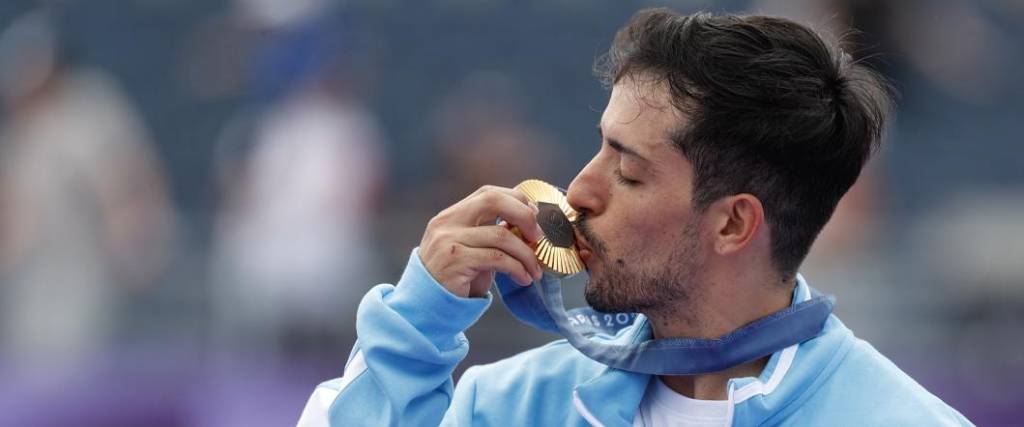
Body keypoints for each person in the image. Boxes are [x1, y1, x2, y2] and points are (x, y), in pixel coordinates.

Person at [297, 8, 972, 426]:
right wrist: (413, 332)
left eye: (628, 170)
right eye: (599, 149)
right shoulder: (512, 407)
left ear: (734, 224)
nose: (579, 190)